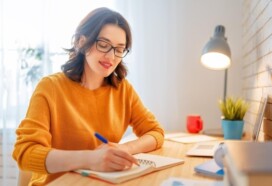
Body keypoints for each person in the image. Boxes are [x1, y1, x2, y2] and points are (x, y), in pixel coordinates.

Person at [12, 7, 164, 185]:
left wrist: (124, 149)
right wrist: (92, 158)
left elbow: (156, 132)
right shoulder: (51, 87)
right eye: (103, 44)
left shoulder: (122, 89)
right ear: (81, 42)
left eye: (119, 49)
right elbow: (26, 153)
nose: (111, 56)